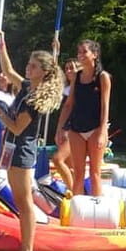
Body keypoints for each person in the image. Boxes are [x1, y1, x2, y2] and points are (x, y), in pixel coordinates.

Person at [0, 29, 63, 251]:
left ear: (44, 72)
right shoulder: (28, 87)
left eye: (33, 67)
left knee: (24, 201)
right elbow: (8, 71)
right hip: (13, 149)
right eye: (28, 65)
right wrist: (2, 45)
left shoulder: (35, 99)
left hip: (22, 151)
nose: (28, 69)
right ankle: (24, 247)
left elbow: (18, 128)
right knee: (21, 200)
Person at [55, 40, 112, 197]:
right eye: (78, 52)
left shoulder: (102, 77)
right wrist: (59, 128)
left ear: (94, 55)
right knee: (79, 173)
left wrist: (102, 131)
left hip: (95, 128)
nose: (80, 55)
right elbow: (68, 105)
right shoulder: (77, 77)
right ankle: (77, 208)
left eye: (84, 52)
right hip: (76, 128)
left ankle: (97, 208)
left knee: (95, 172)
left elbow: (105, 105)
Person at [50, 57, 80, 190]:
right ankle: (77, 191)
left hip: (76, 128)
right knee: (70, 165)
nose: (69, 71)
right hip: (65, 128)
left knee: (58, 159)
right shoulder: (66, 89)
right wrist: (59, 130)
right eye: (67, 68)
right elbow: (54, 76)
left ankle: (74, 193)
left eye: (72, 67)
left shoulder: (82, 88)